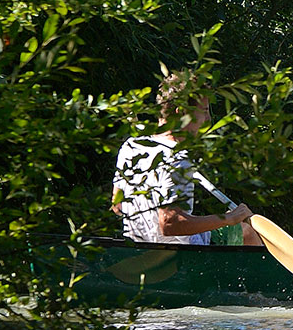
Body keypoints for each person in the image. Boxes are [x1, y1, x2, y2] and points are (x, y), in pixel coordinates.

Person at [112, 72, 262, 245]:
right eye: (204, 111)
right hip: (179, 256)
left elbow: (118, 206)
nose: (207, 119)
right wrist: (229, 218)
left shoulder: (132, 145)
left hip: (137, 246)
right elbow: (170, 224)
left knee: (242, 230)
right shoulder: (177, 159)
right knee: (248, 232)